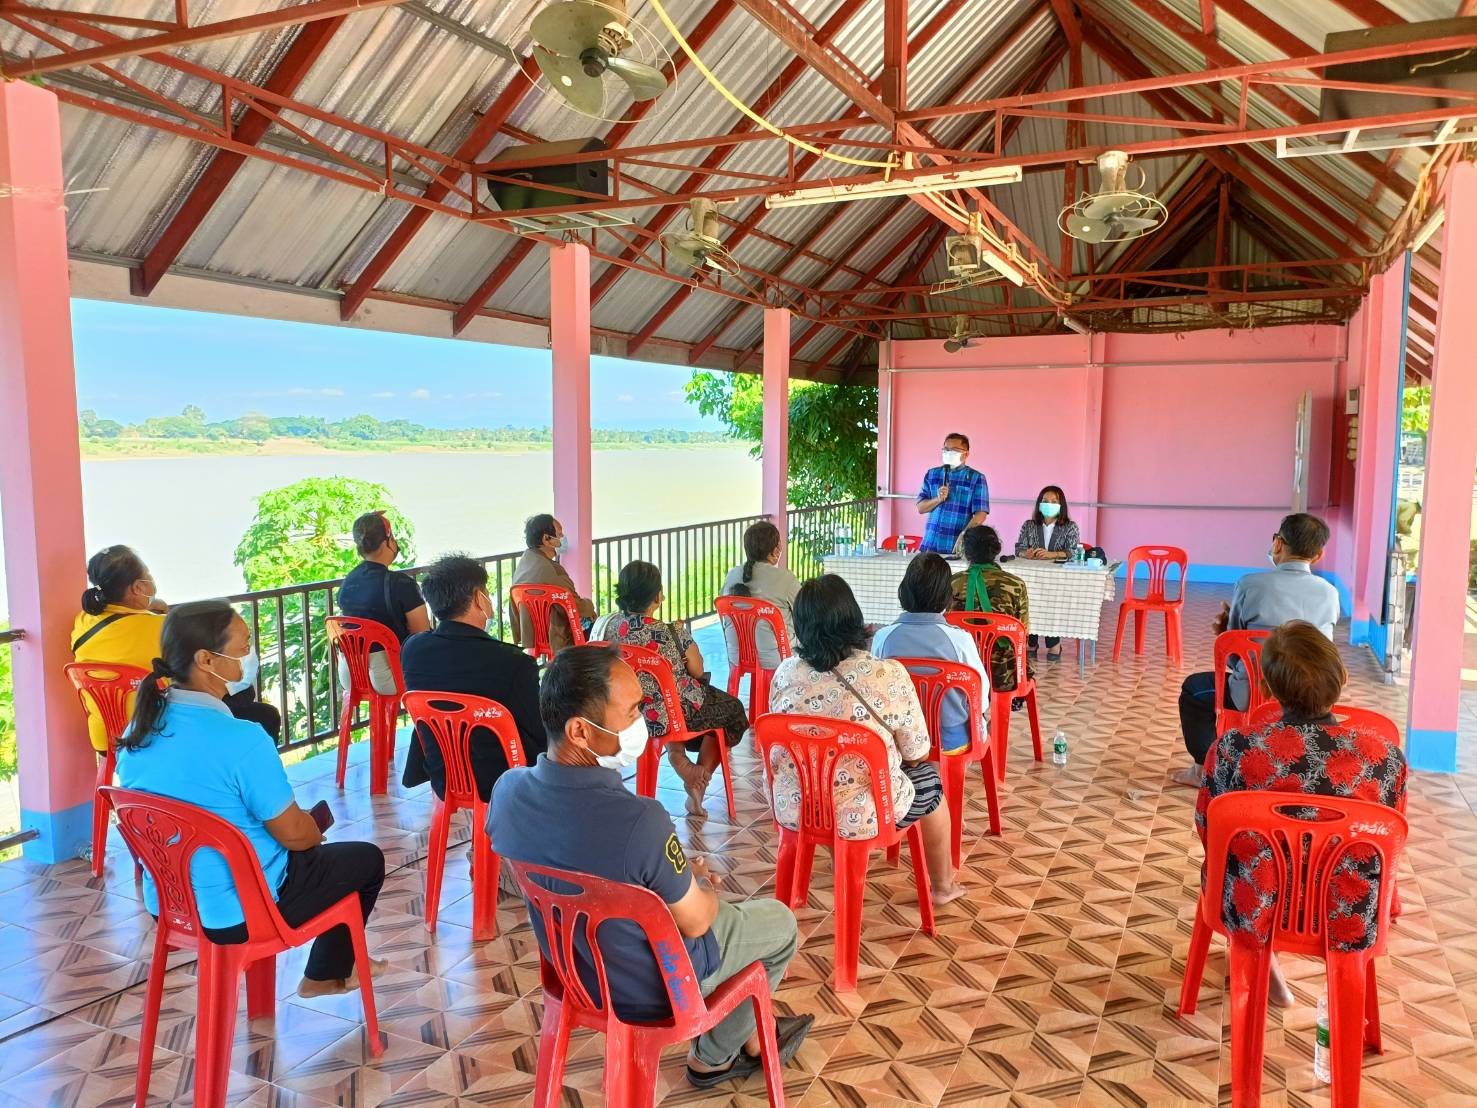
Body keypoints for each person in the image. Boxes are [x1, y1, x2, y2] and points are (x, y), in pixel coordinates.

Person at [487, 645, 813, 1089]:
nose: (644, 722)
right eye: (633, 711)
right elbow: (697, 921)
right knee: (777, 924)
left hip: (574, 973)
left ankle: (753, 1033)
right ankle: (715, 1057)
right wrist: (698, 886)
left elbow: (578, 861)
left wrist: (668, 875)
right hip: (655, 987)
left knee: (716, 910)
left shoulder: (507, 792)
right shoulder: (641, 820)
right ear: (580, 731)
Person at [118, 600, 387, 997]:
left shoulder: (138, 733)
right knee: (364, 860)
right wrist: (312, 832)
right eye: (243, 646)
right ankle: (324, 975)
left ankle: (323, 972)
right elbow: (295, 835)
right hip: (241, 911)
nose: (249, 656)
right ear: (207, 659)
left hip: (172, 906)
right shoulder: (241, 739)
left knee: (304, 852)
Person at [1194, 620, 1406, 1008]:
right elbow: (1391, 839)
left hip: (1255, 905)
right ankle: (1346, 988)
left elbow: (1208, 827)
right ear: (1341, 677)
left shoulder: (1235, 748)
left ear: (1268, 689)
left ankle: (1261, 959)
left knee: (1233, 860)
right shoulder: (1384, 757)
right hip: (1349, 912)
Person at [768, 575, 966, 904]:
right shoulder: (886, 674)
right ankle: (943, 886)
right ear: (852, 618)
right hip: (864, 812)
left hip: (795, 804)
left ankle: (839, 864)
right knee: (930, 780)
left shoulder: (786, 673)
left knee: (829, 777)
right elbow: (917, 751)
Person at [1175, 512, 1342, 787]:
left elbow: (1234, 652)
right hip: (1313, 698)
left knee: (1194, 690)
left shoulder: (1250, 585)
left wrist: (1224, 633)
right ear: (1319, 555)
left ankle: (1202, 770)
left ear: (1278, 544)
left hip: (1252, 694)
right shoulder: (1329, 594)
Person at [72, 545, 282, 743]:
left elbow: (128, 630)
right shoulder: (160, 627)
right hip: (156, 729)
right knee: (255, 706)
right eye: (147, 574)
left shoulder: (83, 623)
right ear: (137, 588)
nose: (151, 579)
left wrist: (148, 608)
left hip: (106, 734)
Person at [598, 561, 748, 816]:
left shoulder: (610, 628)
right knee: (731, 710)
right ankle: (698, 779)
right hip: (673, 715)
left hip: (630, 714)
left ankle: (677, 755)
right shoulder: (670, 632)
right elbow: (698, 671)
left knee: (700, 707)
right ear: (658, 596)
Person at [400, 554, 545, 802]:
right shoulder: (513, 662)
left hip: (444, 775)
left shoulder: (413, 649)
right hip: (504, 779)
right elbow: (540, 732)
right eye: (486, 591)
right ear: (480, 598)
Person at [872, 553, 990, 753]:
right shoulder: (959, 640)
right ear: (946, 595)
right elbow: (980, 696)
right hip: (951, 740)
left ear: (904, 591)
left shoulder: (883, 637)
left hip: (901, 741)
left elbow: (877, 691)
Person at [335, 511, 430, 696]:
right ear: (388, 541)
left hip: (350, 673)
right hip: (387, 676)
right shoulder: (400, 584)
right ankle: (430, 723)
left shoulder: (348, 581)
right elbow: (422, 634)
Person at [949, 525, 1033, 704]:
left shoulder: (953, 583)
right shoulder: (1015, 585)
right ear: (996, 550)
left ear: (966, 552)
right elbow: (1022, 633)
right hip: (1004, 674)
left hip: (961, 671)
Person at [720, 521, 801, 672]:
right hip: (776, 658)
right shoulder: (785, 579)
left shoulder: (732, 575)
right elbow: (805, 613)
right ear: (775, 550)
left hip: (737, 656)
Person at [512, 513, 597, 656]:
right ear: (547, 539)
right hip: (556, 635)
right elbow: (575, 605)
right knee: (594, 623)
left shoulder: (523, 564)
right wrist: (590, 605)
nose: (563, 536)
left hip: (532, 634)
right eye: (560, 533)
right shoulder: (553, 570)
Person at [1014, 485, 1082, 661]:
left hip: (1057, 581)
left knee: (1052, 606)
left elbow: (1073, 552)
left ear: (1061, 505)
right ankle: (1031, 642)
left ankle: (1054, 645)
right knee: (1030, 605)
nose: (1049, 504)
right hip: (1032, 579)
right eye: (1045, 501)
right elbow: (1018, 548)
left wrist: (1053, 554)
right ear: (1039, 504)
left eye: (1053, 501)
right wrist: (1025, 553)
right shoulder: (1029, 525)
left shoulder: (1070, 527)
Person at [915, 432, 990, 556]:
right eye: (946, 449)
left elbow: (980, 514)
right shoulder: (932, 474)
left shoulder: (976, 478)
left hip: (955, 546)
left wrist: (964, 535)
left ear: (966, 454)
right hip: (929, 545)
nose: (948, 453)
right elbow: (920, 508)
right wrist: (938, 499)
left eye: (954, 450)